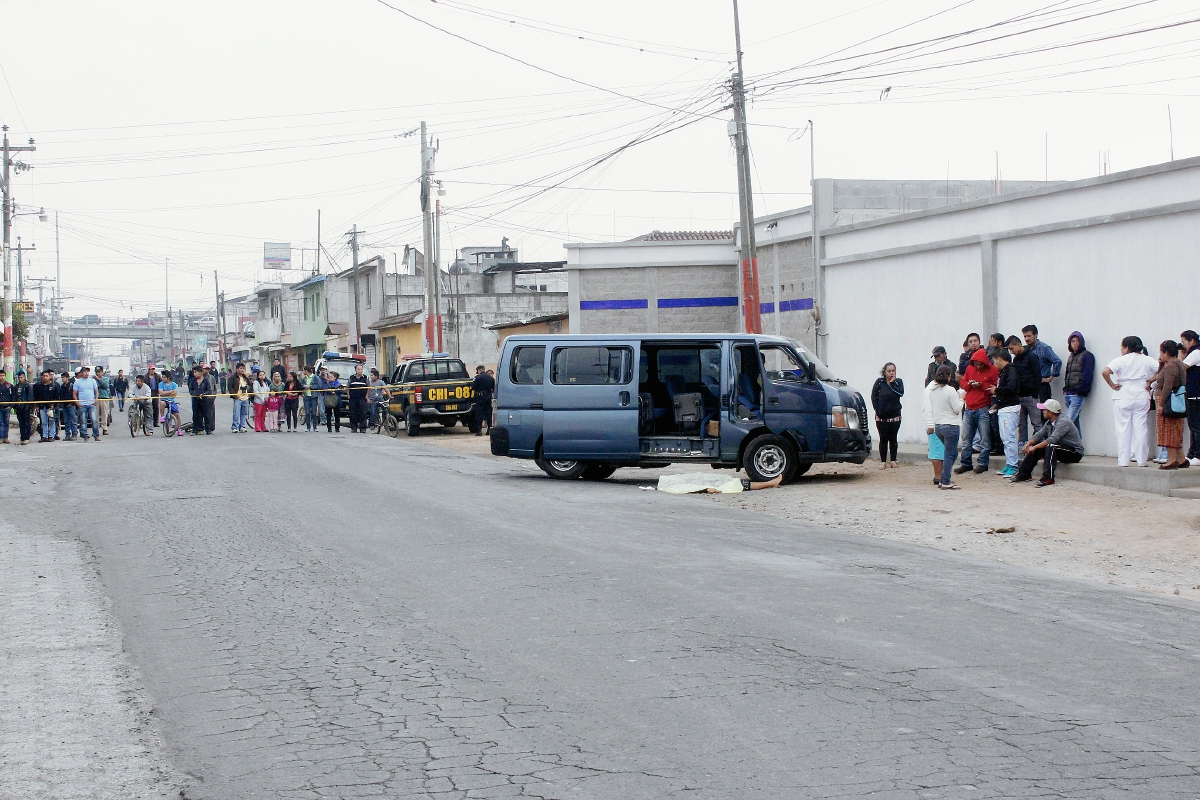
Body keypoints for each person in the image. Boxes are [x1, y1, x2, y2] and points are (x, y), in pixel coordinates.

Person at [1101, 336, 1159, 468]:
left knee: (1123, 429)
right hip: (1141, 394)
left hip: (1123, 394)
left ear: (1126, 348)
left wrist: (1112, 385)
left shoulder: (1120, 360)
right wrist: (1150, 381)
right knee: (1141, 428)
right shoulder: (1147, 359)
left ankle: (1123, 461)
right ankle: (1142, 460)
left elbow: (1105, 372)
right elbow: (1161, 370)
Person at [1011, 398, 1084, 487]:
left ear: (1051, 412)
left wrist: (1034, 447)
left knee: (1050, 446)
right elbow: (1039, 435)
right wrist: (1028, 444)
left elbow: (1052, 439)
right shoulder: (1050, 422)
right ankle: (1024, 473)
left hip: (1074, 453)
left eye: (1045, 410)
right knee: (1041, 446)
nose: (1043, 412)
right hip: (1060, 448)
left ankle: (1048, 477)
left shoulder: (1063, 422)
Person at [956, 348, 997, 475]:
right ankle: (966, 463)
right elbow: (962, 383)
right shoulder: (970, 369)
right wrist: (969, 384)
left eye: (980, 364)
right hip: (970, 407)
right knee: (967, 439)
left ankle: (983, 463)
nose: (978, 366)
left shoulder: (992, 371)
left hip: (983, 407)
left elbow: (994, 388)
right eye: (976, 363)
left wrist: (982, 386)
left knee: (985, 438)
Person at [924, 364, 965, 489]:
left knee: (951, 453)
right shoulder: (950, 390)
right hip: (951, 425)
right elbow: (957, 408)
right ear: (949, 376)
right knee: (949, 454)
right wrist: (962, 399)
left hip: (939, 426)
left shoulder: (932, 391)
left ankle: (943, 476)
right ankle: (945, 480)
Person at [1153, 340, 1189, 470]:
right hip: (1175, 401)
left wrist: (1161, 403)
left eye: (1161, 352)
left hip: (1167, 400)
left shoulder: (1171, 367)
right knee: (1176, 429)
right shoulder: (1178, 364)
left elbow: (1168, 386)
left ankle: (1172, 459)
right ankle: (1182, 458)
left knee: (1167, 430)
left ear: (1166, 352)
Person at [989, 348, 1020, 477]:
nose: (994, 364)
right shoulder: (1004, 372)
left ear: (1000, 359)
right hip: (1003, 407)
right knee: (1005, 438)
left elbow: (1010, 388)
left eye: (995, 361)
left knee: (1009, 438)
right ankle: (1009, 463)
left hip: (1010, 408)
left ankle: (1013, 465)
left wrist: (996, 390)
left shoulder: (1011, 370)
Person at [1007, 335, 1042, 448]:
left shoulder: (1032, 356)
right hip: (1019, 396)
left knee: (1037, 423)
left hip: (1031, 395)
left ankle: (1039, 445)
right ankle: (1022, 445)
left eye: (1012, 348)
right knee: (1021, 424)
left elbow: (1037, 375)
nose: (1011, 352)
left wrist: (1035, 392)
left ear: (1018, 344)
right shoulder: (1016, 359)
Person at [1061, 331, 1095, 440]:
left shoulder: (1087, 356)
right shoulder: (1071, 356)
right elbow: (1068, 373)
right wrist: (1065, 389)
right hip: (1068, 393)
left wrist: (1080, 391)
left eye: (1077, 341)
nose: (1075, 343)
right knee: (1074, 423)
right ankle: (1078, 447)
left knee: (1067, 422)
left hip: (1077, 395)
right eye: (1073, 341)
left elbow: (1088, 375)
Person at [870, 362, 903, 468]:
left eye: (893, 371)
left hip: (895, 416)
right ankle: (883, 461)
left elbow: (900, 393)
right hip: (882, 416)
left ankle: (893, 460)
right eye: (889, 371)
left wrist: (893, 383)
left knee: (893, 438)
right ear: (884, 372)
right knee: (883, 438)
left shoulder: (898, 382)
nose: (892, 373)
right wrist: (877, 409)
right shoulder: (879, 382)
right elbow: (874, 396)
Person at [1022, 324, 1062, 403]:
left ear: (1035, 335)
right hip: (1029, 387)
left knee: (1042, 412)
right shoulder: (1025, 350)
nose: (1026, 339)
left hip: (1041, 387)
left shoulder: (1044, 348)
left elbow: (1057, 361)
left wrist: (1050, 378)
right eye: (1025, 336)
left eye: (1029, 336)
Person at [1182, 330, 1200, 467]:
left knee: (1195, 426)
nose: (1183, 346)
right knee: (1193, 425)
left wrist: (1179, 356)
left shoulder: (1196, 352)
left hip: (1195, 394)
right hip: (1193, 393)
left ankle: (1197, 455)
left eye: (1184, 342)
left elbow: (1182, 367)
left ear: (1192, 341)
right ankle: (1192, 453)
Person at [73, 365, 101, 442]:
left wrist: (96, 400)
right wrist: (77, 403)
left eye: (87, 371)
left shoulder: (92, 381)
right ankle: (85, 435)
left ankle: (96, 435)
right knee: (83, 421)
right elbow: (74, 394)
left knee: (94, 420)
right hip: (82, 405)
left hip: (91, 404)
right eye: (84, 371)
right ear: (81, 373)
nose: (86, 373)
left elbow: (96, 391)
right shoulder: (77, 382)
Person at [33, 370, 58, 442]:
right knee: (44, 422)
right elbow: (36, 397)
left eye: (46, 376)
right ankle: (44, 436)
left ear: (49, 376)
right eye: (43, 376)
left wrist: (53, 405)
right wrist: (37, 405)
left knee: (51, 421)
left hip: (50, 407)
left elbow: (57, 397)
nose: (45, 377)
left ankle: (51, 436)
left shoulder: (53, 386)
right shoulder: (39, 386)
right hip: (42, 407)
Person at [472, 364, 496, 437]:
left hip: (480, 398)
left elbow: (473, 387)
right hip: (488, 398)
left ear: (479, 370)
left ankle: (479, 431)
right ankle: (489, 430)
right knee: (489, 414)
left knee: (479, 415)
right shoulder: (491, 378)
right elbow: (493, 387)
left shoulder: (477, 378)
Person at [346, 363, 370, 433]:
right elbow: (347, 387)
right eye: (358, 369)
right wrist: (348, 395)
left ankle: (363, 428)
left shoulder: (365, 378)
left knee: (363, 413)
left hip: (362, 398)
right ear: (355, 370)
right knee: (353, 413)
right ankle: (354, 427)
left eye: (361, 369)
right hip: (353, 398)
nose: (360, 370)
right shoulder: (351, 378)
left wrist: (367, 396)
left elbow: (369, 387)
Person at [158, 371, 182, 435]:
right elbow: (161, 393)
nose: (163, 378)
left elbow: (174, 394)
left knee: (177, 415)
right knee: (162, 403)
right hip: (164, 401)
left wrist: (165, 393)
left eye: (164, 377)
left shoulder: (174, 384)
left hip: (172, 401)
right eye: (162, 377)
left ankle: (179, 429)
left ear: (168, 378)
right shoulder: (161, 384)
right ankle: (162, 417)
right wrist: (170, 392)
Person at [229, 363, 251, 433]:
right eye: (240, 368)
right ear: (237, 369)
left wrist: (249, 395)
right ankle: (235, 427)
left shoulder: (246, 378)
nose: (242, 370)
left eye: (243, 368)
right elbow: (230, 387)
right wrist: (235, 395)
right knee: (236, 413)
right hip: (238, 398)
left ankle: (242, 426)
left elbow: (250, 386)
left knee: (244, 413)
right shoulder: (233, 377)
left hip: (246, 398)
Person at [14, 370, 34, 444]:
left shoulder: (27, 386)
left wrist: (28, 406)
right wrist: (15, 406)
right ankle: (22, 437)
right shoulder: (17, 386)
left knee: (27, 423)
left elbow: (30, 397)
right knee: (21, 423)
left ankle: (27, 437)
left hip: (26, 407)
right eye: (19, 377)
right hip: (18, 408)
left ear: (24, 377)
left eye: (21, 377)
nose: (20, 379)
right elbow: (15, 396)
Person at [302, 365, 323, 432]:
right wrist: (304, 387)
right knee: (307, 412)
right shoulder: (304, 378)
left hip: (313, 396)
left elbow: (319, 385)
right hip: (306, 396)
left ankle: (315, 427)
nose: (303, 372)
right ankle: (308, 427)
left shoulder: (315, 377)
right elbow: (301, 384)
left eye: (303, 370)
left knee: (314, 412)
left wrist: (310, 386)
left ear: (306, 371)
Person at [58, 371, 78, 441]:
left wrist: (72, 403)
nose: (63, 379)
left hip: (71, 405)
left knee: (73, 420)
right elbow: (61, 395)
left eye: (64, 377)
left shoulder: (72, 385)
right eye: (62, 378)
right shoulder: (62, 386)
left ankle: (74, 434)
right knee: (66, 421)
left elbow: (75, 395)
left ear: (68, 378)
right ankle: (67, 435)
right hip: (64, 406)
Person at [187, 366, 207, 436]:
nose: (194, 374)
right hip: (195, 400)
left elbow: (209, 390)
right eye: (194, 372)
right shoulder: (193, 381)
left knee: (205, 414)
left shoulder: (205, 380)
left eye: (196, 372)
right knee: (196, 415)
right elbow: (190, 389)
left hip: (204, 400)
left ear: (201, 373)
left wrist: (204, 394)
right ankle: (196, 429)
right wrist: (194, 394)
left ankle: (205, 429)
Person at [94, 366, 112, 435]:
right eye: (97, 372)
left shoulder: (105, 379)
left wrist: (98, 379)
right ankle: (96, 429)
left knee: (104, 414)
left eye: (99, 372)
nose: (98, 373)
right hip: (97, 398)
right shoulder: (93, 380)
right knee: (96, 415)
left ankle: (105, 428)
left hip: (104, 398)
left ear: (102, 372)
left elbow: (105, 385)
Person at [200, 365, 217, 434]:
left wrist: (213, 396)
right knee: (202, 414)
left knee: (211, 414)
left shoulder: (212, 378)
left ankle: (210, 428)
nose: (206, 370)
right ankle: (201, 428)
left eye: (207, 369)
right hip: (202, 397)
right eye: (205, 369)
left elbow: (214, 388)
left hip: (210, 398)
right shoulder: (201, 378)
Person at [145, 364, 160, 429]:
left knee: (156, 407)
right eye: (151, 369)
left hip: (155, 393)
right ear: (149, 370)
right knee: (148, 408)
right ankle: (147, 421)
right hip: (148, 393)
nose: (152, 371)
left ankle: (155, 422)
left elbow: (161, 382)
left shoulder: (157, 376)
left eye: (153, 369)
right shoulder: (145, 377)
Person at [0, 369, 12, 444]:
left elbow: (12, 396)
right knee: (0, 422)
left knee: (6, 423)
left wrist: (11, 405)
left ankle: (6, 437)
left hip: (7, 407)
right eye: (0, 376)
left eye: (3, 375)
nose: (2, 377)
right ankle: (1, 437)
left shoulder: (9, 385)